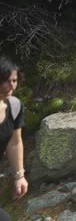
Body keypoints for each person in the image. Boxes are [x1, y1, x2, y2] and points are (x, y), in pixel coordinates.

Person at [0, 57, 27, 220]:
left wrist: (19, 176)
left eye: (14, 80)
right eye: (5, 81)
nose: (11, 86)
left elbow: (14, 142)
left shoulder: (14, 106)